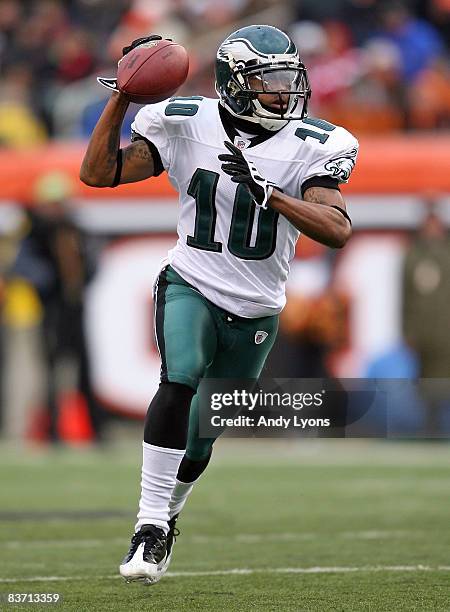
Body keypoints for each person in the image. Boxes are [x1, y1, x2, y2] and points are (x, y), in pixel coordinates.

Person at [80, 25, 358, 584]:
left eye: (287, 80)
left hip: (258, 305)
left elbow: (337, 228)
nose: (284, 93)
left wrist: (272, 195)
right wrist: (122, 96)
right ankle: (148, 524)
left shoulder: (317, 143)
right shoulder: (185, 121)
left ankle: (169, 516)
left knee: (204, 431)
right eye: (269, 82)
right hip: (192, 282)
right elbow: (98, 172)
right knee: (177, 381)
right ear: (234, 84)